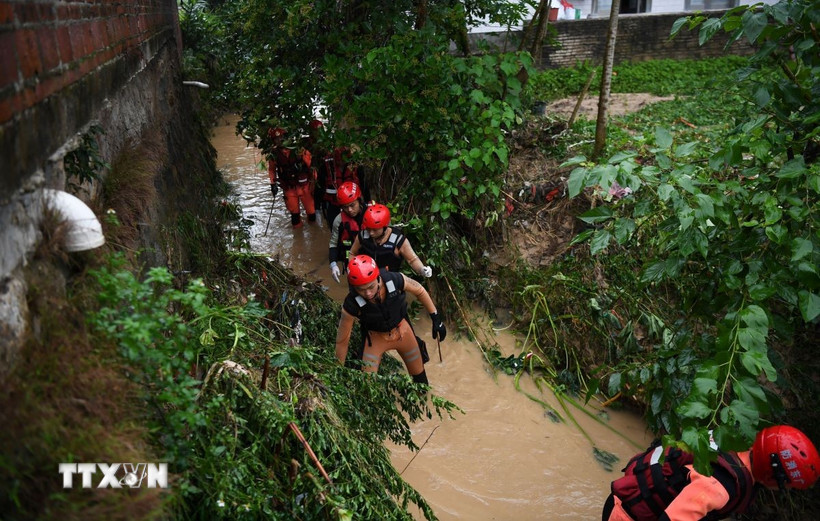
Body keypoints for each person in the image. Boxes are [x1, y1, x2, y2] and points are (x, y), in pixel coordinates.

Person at [602, 425, 820, 521]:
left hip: (632, 495)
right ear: (773, 475)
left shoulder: (731, 444)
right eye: (788, 485)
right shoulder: (719, 487)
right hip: (626, 514)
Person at [334, 255, 446, 384]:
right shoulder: (351, 303)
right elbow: (342, 341)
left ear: (378, 278)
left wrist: (436, 318)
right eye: (361, 290)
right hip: (375, 339)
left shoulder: (394, 279)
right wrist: (338, 370)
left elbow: (419, 290)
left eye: (371, 287)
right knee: (368, 386)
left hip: (402, 332)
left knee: (420, 381)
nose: (368, 294)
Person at [349, 203, 433, 278]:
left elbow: (412, 259)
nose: (371, 233)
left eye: (375, 230)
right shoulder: (362, 236)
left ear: (385, 226)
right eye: (368, 229)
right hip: (366, 280)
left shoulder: (398, 240)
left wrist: (422, 270)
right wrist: (353, 271)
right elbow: (352, 253)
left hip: (390, 280)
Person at [266, 126, 316, 227]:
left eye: (281, 137)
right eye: (276, 139)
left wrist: (314, 181)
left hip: (304, 186)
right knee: (295, 216)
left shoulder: (299, 149)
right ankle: (298, 238)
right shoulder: (274, 154)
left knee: (311, 214)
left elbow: (311, 166)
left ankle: (314, 232)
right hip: (289, 188)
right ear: (274, 141)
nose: (280, 140)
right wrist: (273, 183)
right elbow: (272, 169)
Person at [328, 181, 368, 283]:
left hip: (371, 259)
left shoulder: (371, 214)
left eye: (352, 205)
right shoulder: (339, 221)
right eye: (345, 207)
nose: (349, 210)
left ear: (359, 200)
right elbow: (333, 244)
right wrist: (333, 264)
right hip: (351, 262)